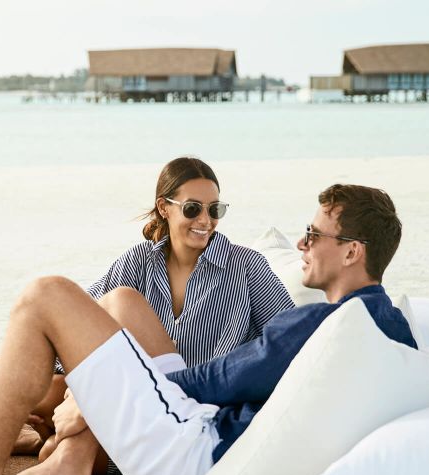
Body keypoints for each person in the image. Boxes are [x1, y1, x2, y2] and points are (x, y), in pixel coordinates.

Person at [0, 184, 416, 475]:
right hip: (215, 437)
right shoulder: (390, 327)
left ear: (352, 251)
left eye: (313, 234)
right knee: (122, 301)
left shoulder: (325, 324)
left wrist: (93, 402)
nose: (303, 244)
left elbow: (226, 379)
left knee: (43, 295)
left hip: (194, 453)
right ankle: (67, 466)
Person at [18, 157, 293, 457]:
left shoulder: (247, 267)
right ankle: (64, 435)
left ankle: (59, 441)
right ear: (164, 207)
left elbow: (292, 340)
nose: (206, 220)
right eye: (193, 208)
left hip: (202, 410)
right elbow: (80, 323)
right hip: (132, 399)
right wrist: (75, 387)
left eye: (215, 209)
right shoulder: (138, 261)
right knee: (41, 392)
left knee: (51, 452)